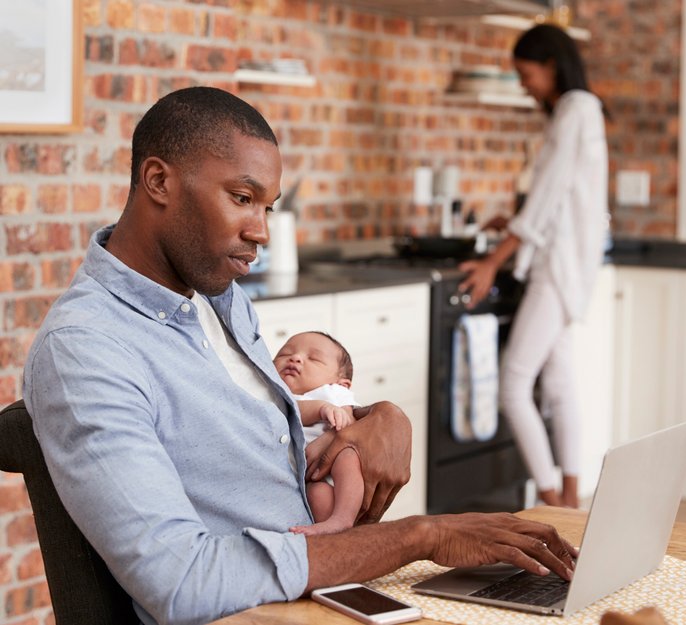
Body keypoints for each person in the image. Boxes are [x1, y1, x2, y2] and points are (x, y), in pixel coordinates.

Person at [23, 86, 577, 625]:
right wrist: (420, 536)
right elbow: (180, 580)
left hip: (324, 593)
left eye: (267, 206)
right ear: (158, 181)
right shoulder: (87, 349)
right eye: (242, 198)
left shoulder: (218, 297)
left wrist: (382, 414)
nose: (261, 231)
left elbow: (287, 425)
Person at [459, 24, 609, 509]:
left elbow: (546, 201)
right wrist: (514, 219)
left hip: (556, 267)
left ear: (551, 64)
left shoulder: (576, 109)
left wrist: (491, 261)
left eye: (526, 74)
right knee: (560, 383)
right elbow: (557, 196)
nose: (524, 85)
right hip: (566, 264)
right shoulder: (575, 111)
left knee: (514, 384)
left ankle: (549, 498)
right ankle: (569, 502)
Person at [273, 331, 364, 536]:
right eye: (283, 354)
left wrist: (329, 410)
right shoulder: (276, 395)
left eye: (313, 358)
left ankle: (343, 517)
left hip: (334, 466)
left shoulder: (333, 392)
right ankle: (332, 532)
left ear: (341, 383)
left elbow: (349, 424)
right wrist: (320, 409)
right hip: (307, 477)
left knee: (348, 452)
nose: (295, 358)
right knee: (318, 494)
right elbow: (293, 411)